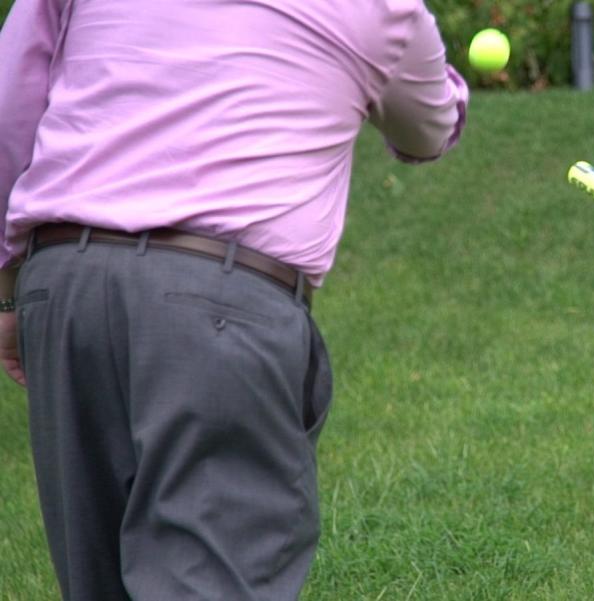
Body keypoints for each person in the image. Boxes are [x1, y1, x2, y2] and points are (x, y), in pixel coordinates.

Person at [0, 0, 468, 598]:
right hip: (222, 306)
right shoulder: (384, 10)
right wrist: (449, 86)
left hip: (64, 285)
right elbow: (427, 128)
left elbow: (14, 102)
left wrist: (9, 287)